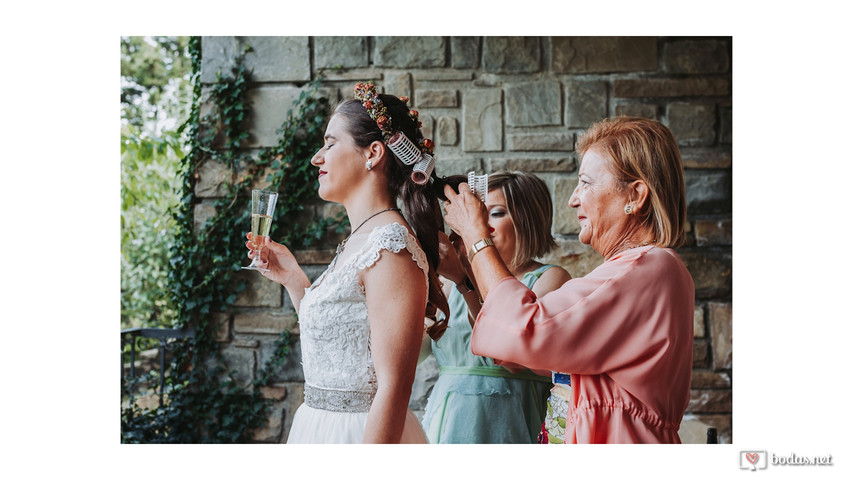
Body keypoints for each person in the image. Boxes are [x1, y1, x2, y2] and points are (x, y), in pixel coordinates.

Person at [441, 116, 694, 443]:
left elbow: (523, 330)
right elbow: (520, 353)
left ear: (635, 195)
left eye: (586, 183)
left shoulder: (650, 267)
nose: (574, 198)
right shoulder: (641, 270)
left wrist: (477, 237)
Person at [245, 82, 449, 443]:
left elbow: (395, 387)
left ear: (373, 153)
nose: (316, 158)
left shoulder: (390, 246)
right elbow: (339, 345)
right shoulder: (361, 240)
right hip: (319, 428)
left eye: (330, 143)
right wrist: (295, 280)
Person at [421, 171, 571, 443]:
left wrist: (466, 281)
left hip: (513, 421)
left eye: (496, 213)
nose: (479, 224)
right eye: (478, 213)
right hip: (449, 423)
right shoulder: (448, 278)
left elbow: (512, 353)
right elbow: (415, 351)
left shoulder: (550, 279)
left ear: (528, 220)